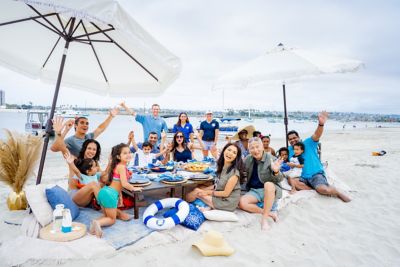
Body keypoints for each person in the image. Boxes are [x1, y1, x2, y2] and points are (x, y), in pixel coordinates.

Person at [287, 111, 351, 202]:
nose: (293, 140)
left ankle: (337, 192)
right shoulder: (289, 150)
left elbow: (317, 134)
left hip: (316, 174)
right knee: (291, 181)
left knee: (323, 189)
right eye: (290, 139)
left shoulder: (308, 143)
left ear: (299, 137)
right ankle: (313, 189)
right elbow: (283, 159)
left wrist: (321, 124)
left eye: (294, 138)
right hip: (303, 177)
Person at [90, 143, 142, 238]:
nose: (128, 154)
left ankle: (95, 224)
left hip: (104, 192)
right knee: (111, 219)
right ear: (118, 156)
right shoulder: (121, 167)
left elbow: (117, 183)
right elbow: (125, 184)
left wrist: (120, 198)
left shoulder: (117, 166)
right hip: (110, 194)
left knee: (107, 215)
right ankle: (98, 223)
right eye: (125, 153)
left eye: (129, 152)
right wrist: (134, 188)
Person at [238, 137, 283, 231]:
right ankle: (270, 213)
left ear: (262, 147)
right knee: (242, 203)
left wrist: (276, 171)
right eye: (252, 148)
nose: (255, 150)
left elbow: (280, 178)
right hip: (256, 191)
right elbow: (238, 171)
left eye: (257, 147)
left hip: (271, 190)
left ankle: (264, 219)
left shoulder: (271, 159)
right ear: (249, 150)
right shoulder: (248, 159)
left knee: (268, 184)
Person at [186, 143, 242, 212]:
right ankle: (203, 204)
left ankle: (184, 204)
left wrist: (206, 192)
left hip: (227, 202)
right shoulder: (222, 166)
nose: (230, 153)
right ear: (224, 151)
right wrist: (204, 190)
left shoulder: (234, 173)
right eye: (229, 150)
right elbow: (217, 184)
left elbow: (225, 193)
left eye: (234, 153)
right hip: (221, 196)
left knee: (197, 192)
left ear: (236, 157)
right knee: (199, 188)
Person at [50, 107, 120, 157]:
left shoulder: (89, 137)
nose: (85, 125)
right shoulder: (70, 140)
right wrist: (65, 130)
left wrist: (111, 116)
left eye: (87, 123)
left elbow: (100, 128)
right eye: (82, 123)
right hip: (78, 172)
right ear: (75, 125)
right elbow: (54, 148)